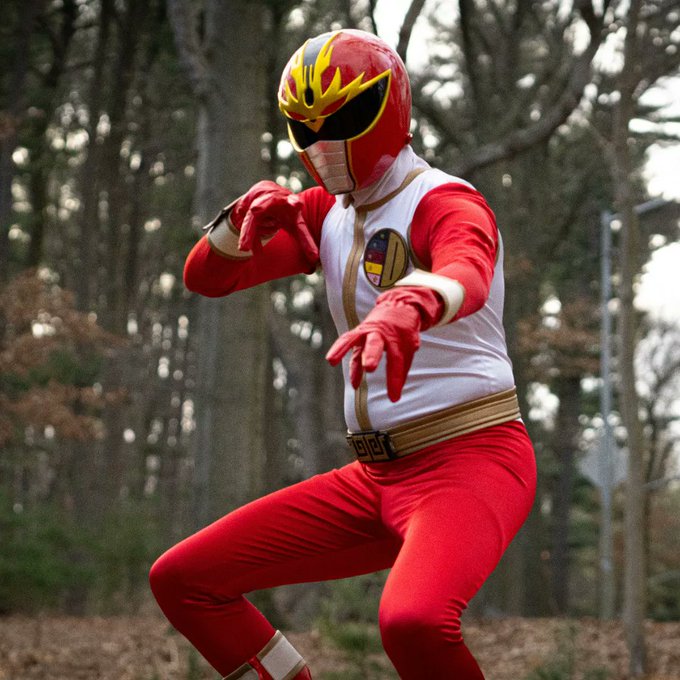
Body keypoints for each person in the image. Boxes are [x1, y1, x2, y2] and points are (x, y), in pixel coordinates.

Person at [149, 28, 536, 680]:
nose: (323, 143)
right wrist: (238, 222)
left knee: (414, 621)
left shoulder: (444, 200)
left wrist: (412, 301)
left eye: (342, 120)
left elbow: (467, 269)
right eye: (306, 128)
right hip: (373, 476)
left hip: (470, 459)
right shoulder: (327, 212)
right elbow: (207, 278)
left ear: (389, 109)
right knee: (184, 580)